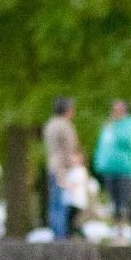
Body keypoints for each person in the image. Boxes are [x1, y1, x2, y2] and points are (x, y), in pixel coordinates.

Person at [92, 101, 131, 237]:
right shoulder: (108, 126)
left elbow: (128, 142)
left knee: (126, 200)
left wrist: (114, 130)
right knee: (114, 201)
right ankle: (118, 229)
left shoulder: (130, 125)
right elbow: (103, 147)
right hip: (109, 168)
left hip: (125, 169)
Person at [43, 97, 82, 238]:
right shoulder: (65, 126)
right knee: (62, 203)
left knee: (54, 204)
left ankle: (56, 233)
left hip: (52, 165)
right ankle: (61, 236)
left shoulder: (50, 124)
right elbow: (70, 148)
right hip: (63, 169)